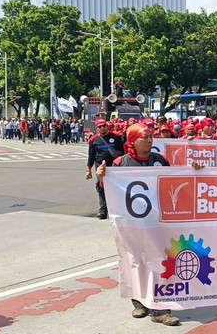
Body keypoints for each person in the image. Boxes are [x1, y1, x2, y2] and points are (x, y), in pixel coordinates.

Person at [96, 123, 203, 326]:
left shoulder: (160, 160)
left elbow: (176, 183)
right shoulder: (120, 163)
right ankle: (139, 302)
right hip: (131, 225)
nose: (149, 140)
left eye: (150, 136)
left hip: (156, 224)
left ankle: (161, 308)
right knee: (134, 262)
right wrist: (102, 177)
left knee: (159, 262)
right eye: (144, 137)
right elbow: (107, 190)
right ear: (132, 141)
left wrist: (194, 171)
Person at [86, 118, 124, 220]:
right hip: (100, 167)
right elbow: (91, 156)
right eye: (100, 127)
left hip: (114, 166)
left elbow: (122, 151)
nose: (103, 128)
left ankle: (117, 209)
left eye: (104, 126)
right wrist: (88, 170)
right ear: (97, 128)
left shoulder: (116, 137)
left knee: (115, 188)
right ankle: (103, 210)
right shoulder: (94, 140)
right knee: (101, 188)